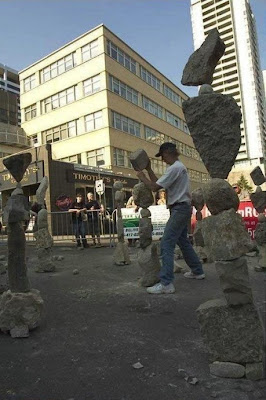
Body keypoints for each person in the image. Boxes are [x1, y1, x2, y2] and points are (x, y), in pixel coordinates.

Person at [136, 142, 205, 295]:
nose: (162, 159)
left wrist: (142, 177)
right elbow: (158, 184)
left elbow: (153, 187)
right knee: (182, 241)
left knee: (166, 243)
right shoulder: (177, 167)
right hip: (181, 208)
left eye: (163, 156)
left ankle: (166, 282)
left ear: (168, 152)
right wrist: (148, 170)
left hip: (180, 208)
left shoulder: (175, 168)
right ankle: (197, 270)